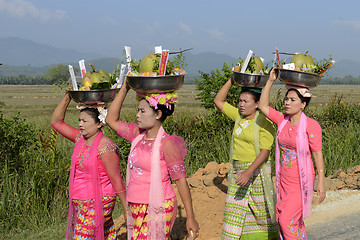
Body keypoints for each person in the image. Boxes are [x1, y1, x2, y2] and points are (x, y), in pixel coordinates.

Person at [105, 79, 200, 240]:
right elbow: (110, 120)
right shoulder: (137, 134)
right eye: (138, 110)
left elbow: (180, 180)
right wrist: (125, 89)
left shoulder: (167, 144)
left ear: (158, 114)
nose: (137, 115)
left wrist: (190, 216)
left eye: (142, 111)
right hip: (135, 204)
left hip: (158, 207)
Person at [258, 68, 326, 239]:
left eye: (292, 99)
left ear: (303, 104)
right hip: (284, 181)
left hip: (300, 182)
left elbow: (318, 155)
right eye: (286, 99)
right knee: (288, 220)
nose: (287, 102)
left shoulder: (311, 126)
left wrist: (321, 183)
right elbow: (263, 106)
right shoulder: (282, 120)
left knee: (286, 220)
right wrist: (271, 81)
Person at [50, 93, 127, 240]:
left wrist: (126, 208)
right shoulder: (80, 138)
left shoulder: (106, 147)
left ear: (99, 123)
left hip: (100, 201)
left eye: (85, 121)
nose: (80, 124)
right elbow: (56, 122)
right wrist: (67, 96)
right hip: (81, 201)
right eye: (79, 120)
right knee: (106, 235)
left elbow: (117, 179)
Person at [214, 78, 279, 240]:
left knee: (261, 212)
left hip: (258, 172)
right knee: (234, 211)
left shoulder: (265, 122)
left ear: (257, 104)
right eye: (240, 101)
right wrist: (231, 79)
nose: (241, 104)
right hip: (239, 171)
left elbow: (265, 152)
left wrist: (249, 172)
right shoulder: (239, 117)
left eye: (245, 101)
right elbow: (218, 100)